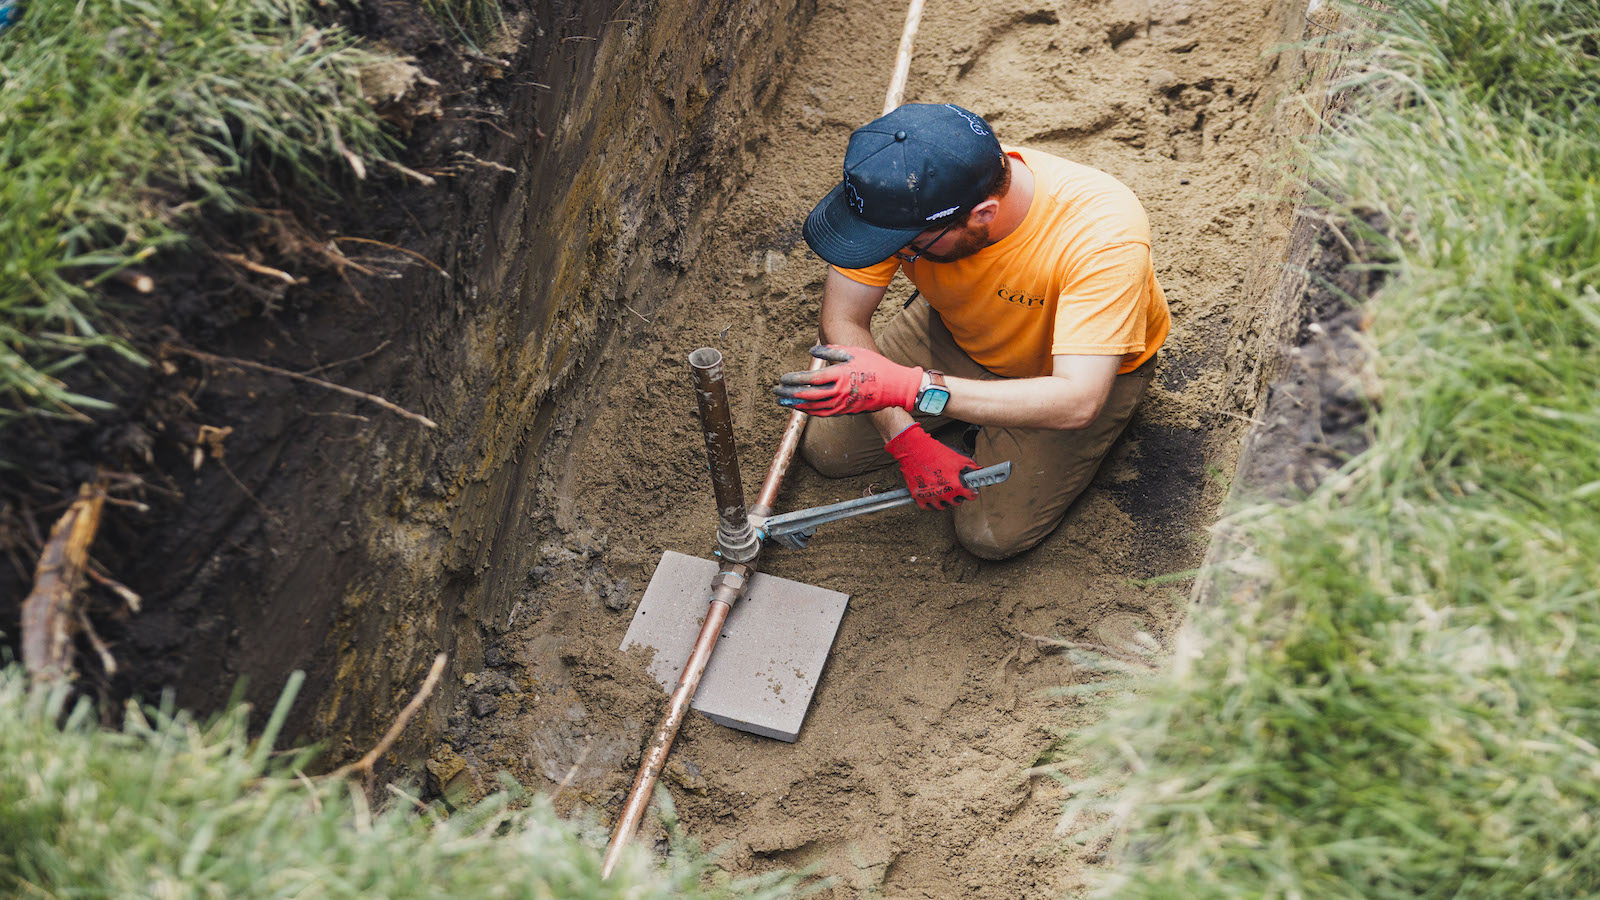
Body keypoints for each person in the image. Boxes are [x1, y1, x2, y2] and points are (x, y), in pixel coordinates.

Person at [774, 102, 1169, 560]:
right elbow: (843, 319)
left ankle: (982, 423)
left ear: (982, 214)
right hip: (957, 330)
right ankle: (967, 417)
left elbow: (1077, 399)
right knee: (829, 451)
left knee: (988, 535)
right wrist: (904, 436)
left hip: (1067, 373)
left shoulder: (1102, 236)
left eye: (911, 248)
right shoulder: (898, 191)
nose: (899, 253)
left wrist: (916, 390)